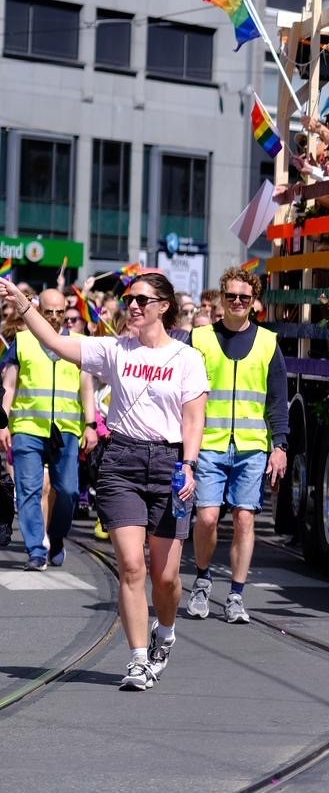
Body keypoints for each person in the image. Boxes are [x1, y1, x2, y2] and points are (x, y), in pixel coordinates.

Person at [0, 273, 207, 690]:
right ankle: (136, 659)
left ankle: (164, 633)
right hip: (121, 463)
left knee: (165, 578)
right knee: (132, 566)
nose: (132, 306)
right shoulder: (114, 350)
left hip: (169, 464)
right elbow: (56, 343)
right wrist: (24, 304)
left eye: (141, 301)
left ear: (163, 306)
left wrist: (188, 463)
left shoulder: (186, 358)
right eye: (129, 299)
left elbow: (193, 417)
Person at [185, 268, 288, 625]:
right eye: (231, 297)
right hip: (208, 445)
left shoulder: (268, 343)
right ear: (221, 299)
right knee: (207, 518)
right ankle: (201, 579)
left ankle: (236, 595)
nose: (238, 302)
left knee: (245, 519)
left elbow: (277, 399)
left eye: (244, 297)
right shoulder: (198, 339)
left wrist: (280, 446)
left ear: (254, 301)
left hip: (251, 446)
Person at [0, 289, 99, 569]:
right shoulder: (22, 341)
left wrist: (91, 425)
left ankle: (56, 537)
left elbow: (87, 387)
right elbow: (9, 386)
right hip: (28, 428)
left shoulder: (80, 343)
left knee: (67, 491)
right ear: (38, 310)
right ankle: (36, 550)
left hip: (66, 430)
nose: (55, 317)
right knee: (29, 489)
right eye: (49, 312)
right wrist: (3, 423)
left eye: (59, 311)